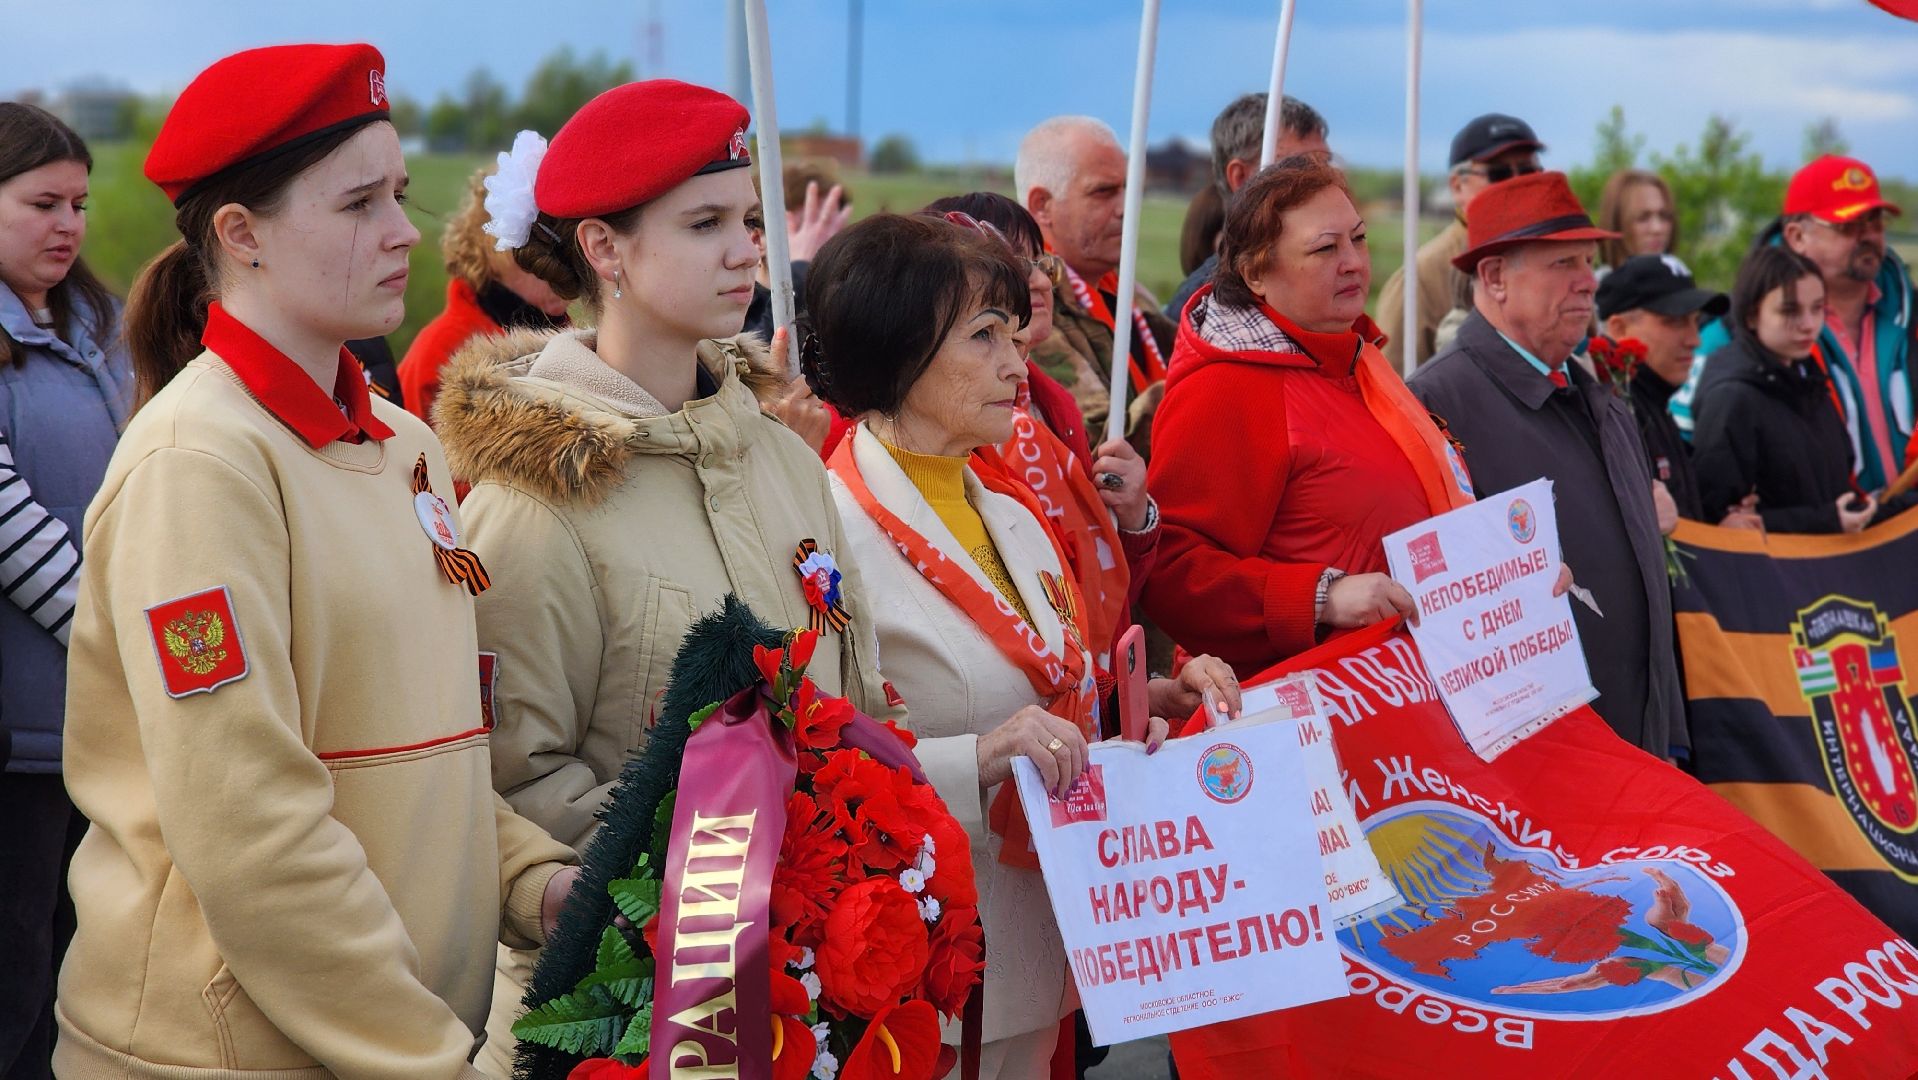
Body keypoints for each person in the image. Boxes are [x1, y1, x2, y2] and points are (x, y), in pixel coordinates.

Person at [54, 45, 578, 1078]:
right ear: (240, 235)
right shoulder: (200, 463)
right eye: (357, 204)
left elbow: (424, 748)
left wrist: (538, 882)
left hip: (392, 1034)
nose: (403, 231)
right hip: (226, 1053)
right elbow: (250, 827)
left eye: (399, 194)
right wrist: (430, 1056)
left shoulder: (403, 445)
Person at [425, 80, 897, 1075]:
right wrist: (738, 871)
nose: (746, 252)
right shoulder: (539, 499)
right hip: (624, 1017)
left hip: (803, 998)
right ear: (605, 250)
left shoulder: (783, 460)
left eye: (750, 221)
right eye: (704, 224)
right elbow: (510, 781)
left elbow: (856, 695)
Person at [803, 212, 1240, 1078]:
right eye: (985, 336)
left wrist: (1140, 703)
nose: (1017, 362)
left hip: (1052, 949)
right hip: (925, 975)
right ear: (898, 352)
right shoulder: (827, 537)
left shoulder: (1007, 509)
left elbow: (1043, 685)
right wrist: (980, 758)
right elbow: (818, 759)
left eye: (1013, 332)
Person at [1143, 153, 1488, 676]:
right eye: (1326, 248)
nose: (1353, 262)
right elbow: (1172, 571)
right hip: (1313, 698)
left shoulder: (1355, 356)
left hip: (1415, 680)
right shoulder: (1225, 388)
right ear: (1256, 272)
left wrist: (1507, 577)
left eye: (1359, 238)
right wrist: (1321, 598)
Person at [1409, 171, 1684, 758]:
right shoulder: (1435, 405)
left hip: (1636, 746)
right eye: (1564, 264)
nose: (1589, 282)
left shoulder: (1593, 393)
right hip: (1542, 765)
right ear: (1494, 277)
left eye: (1588, 262)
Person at [0, 101, 132, 1080]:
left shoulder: (100, 325)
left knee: (81, 976)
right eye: (42, 203)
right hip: (21, 730)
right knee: (12, 980)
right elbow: (7, 524)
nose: (69, 225)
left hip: (106, 719)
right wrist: (116, 632)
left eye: (80, 204)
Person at [1677, 156, 1913, 493]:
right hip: (1812, 525)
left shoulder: (1911, 314)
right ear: (1796, 236)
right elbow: (1689, 458)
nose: (1868, 236)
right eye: (1848, 225)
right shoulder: (1731, 333)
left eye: (1875, 222)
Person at [1692, 247, 1916, 533]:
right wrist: (1827, 520)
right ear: (1751, 315)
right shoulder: (1732, 397)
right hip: (1783, 560)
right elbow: (1717, 522)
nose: (1809, 325)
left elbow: (1831, 489)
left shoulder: (1808, 377)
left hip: (1831, 553)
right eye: (1790, 310)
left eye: (1818, 308)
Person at [1016, 116, 1174, 438]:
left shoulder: (1131, 293)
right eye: (1103, 192)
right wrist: (1197, 395)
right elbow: (1091, 438)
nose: (1126, 208)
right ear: (1042, 205)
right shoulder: (1030, 307)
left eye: (1127, 189)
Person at [396, 160, 569, 424]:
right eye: (541, 252)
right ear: (495, 249)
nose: (563, 268)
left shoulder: (578, 340)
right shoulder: (439, 352)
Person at [1595, 253, 1756, 528]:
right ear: (1619, 328)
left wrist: (1720, 530)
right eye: (1675, 321)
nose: (1695, 340)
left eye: (1695, 321)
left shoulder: (1655, 400)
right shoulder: (1611, 413)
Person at [1378, 113, 1544, 370]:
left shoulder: (1557, 257)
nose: (1516, 183)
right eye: (1498, 173)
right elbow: (1393, 381)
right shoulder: (1420, 277)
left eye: (1528, 171)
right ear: (1457, 186)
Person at [1163, 93, 1330, 321]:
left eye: (1325, 165)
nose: (1323, 183)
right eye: (1298, 167)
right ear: (1241, 178)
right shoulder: (1203, 308)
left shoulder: (1330, 278)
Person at [1596, 169, 1678, 274]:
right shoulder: (1596, 284)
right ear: (1617, 224)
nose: (1657, 228)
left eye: (1664, 216)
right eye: (1643, 218)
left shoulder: (1680, 279)